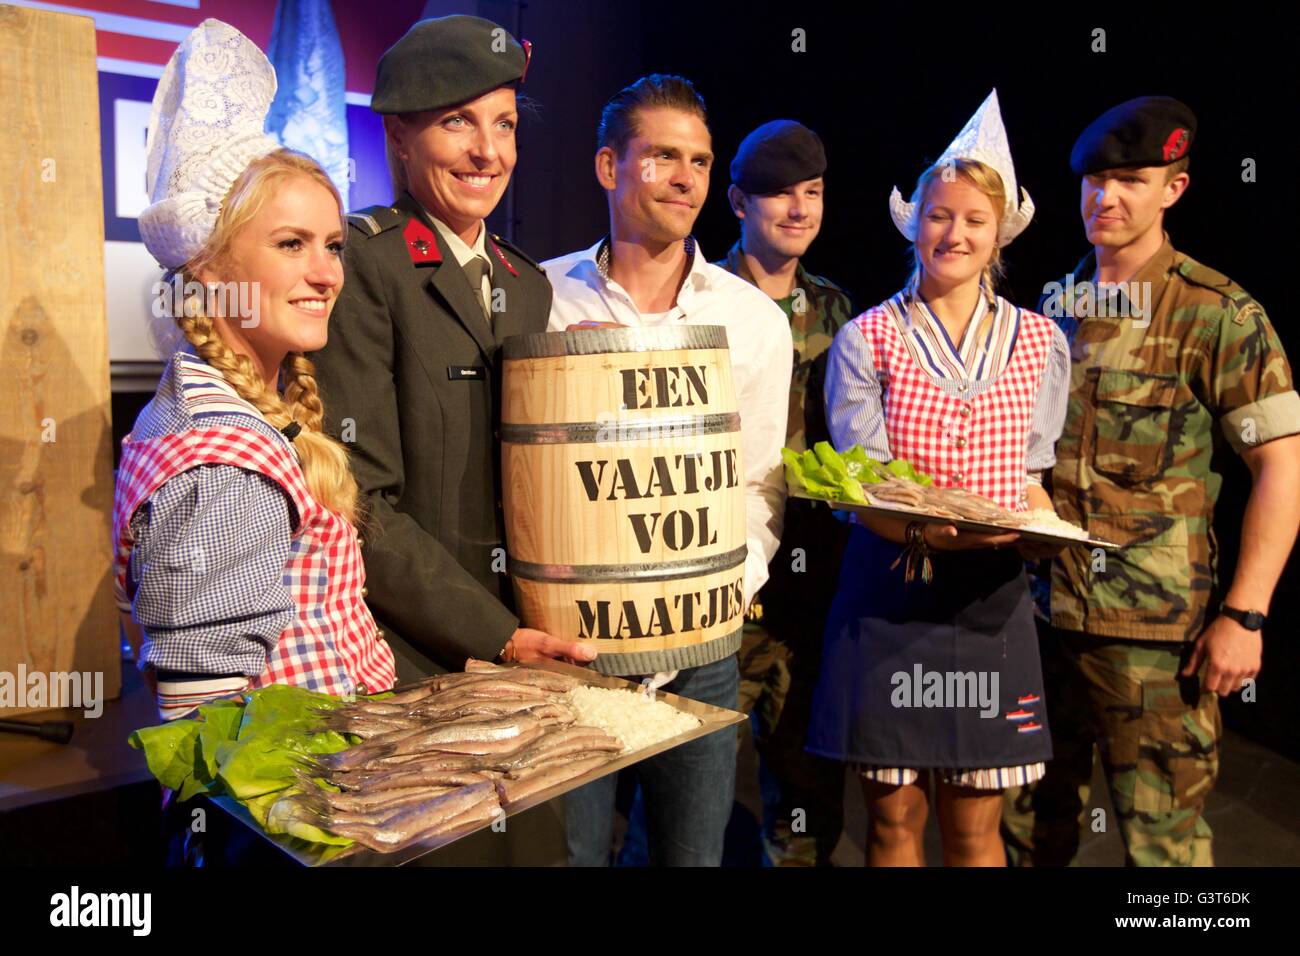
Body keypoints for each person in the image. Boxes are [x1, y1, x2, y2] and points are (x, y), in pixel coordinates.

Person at [1001, 96, 1300, 867]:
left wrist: (1246, 615)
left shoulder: (1217, 314)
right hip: (1042, 619)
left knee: (1162, 851)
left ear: (1174, 189)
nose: (1107, 198)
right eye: (1095, 181)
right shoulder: (1054, 309)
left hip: (1157, 641)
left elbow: (1278, 467)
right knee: (1029, 835)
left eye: (1132, 181)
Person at [808, 91, 1072, 866]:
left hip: (990, 606)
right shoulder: (867, 338)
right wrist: (933, 533)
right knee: (893, 826)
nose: (954, 234)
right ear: (914, 222)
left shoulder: (1040, 340)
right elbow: (862, 489)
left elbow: (1030, 479)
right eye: (939, 215)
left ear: (999, 234)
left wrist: (1041, 529)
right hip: (890, 598)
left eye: (973, 220)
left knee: (975, 831)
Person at [113, 19, 395, 723]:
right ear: (209, 266)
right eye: (291, 244)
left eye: (332, 245)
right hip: (296, 791)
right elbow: (207, 725)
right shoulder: (225, 462)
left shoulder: (220, 412)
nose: (326, 273)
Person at [544, 74, 793, 866]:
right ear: (609, 166)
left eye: (700, 161)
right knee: (573, 857)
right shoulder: (538, 295)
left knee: (690, 857)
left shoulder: (754, 320)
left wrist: (731, 587)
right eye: (662, 157)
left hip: (701, 652)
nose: (686, 178)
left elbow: (760, 482)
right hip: (572, 653)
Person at [309, 15, 594, 681]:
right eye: (458, 122)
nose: (488, 151)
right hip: (419, 655)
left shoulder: (527, 285)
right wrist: (497, 635)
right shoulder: (362, 267)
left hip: (537, 632)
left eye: (505, 125)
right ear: (399, 136)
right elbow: (359, 502)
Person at [717, 119, 853, 866]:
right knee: (683, 789)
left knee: (807, 795)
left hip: (812, 589)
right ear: (739, 202)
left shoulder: (839, 310)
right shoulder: (698, 300)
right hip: (722, 579)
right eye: (779, 194)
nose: (799, 209)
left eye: (815, 192)